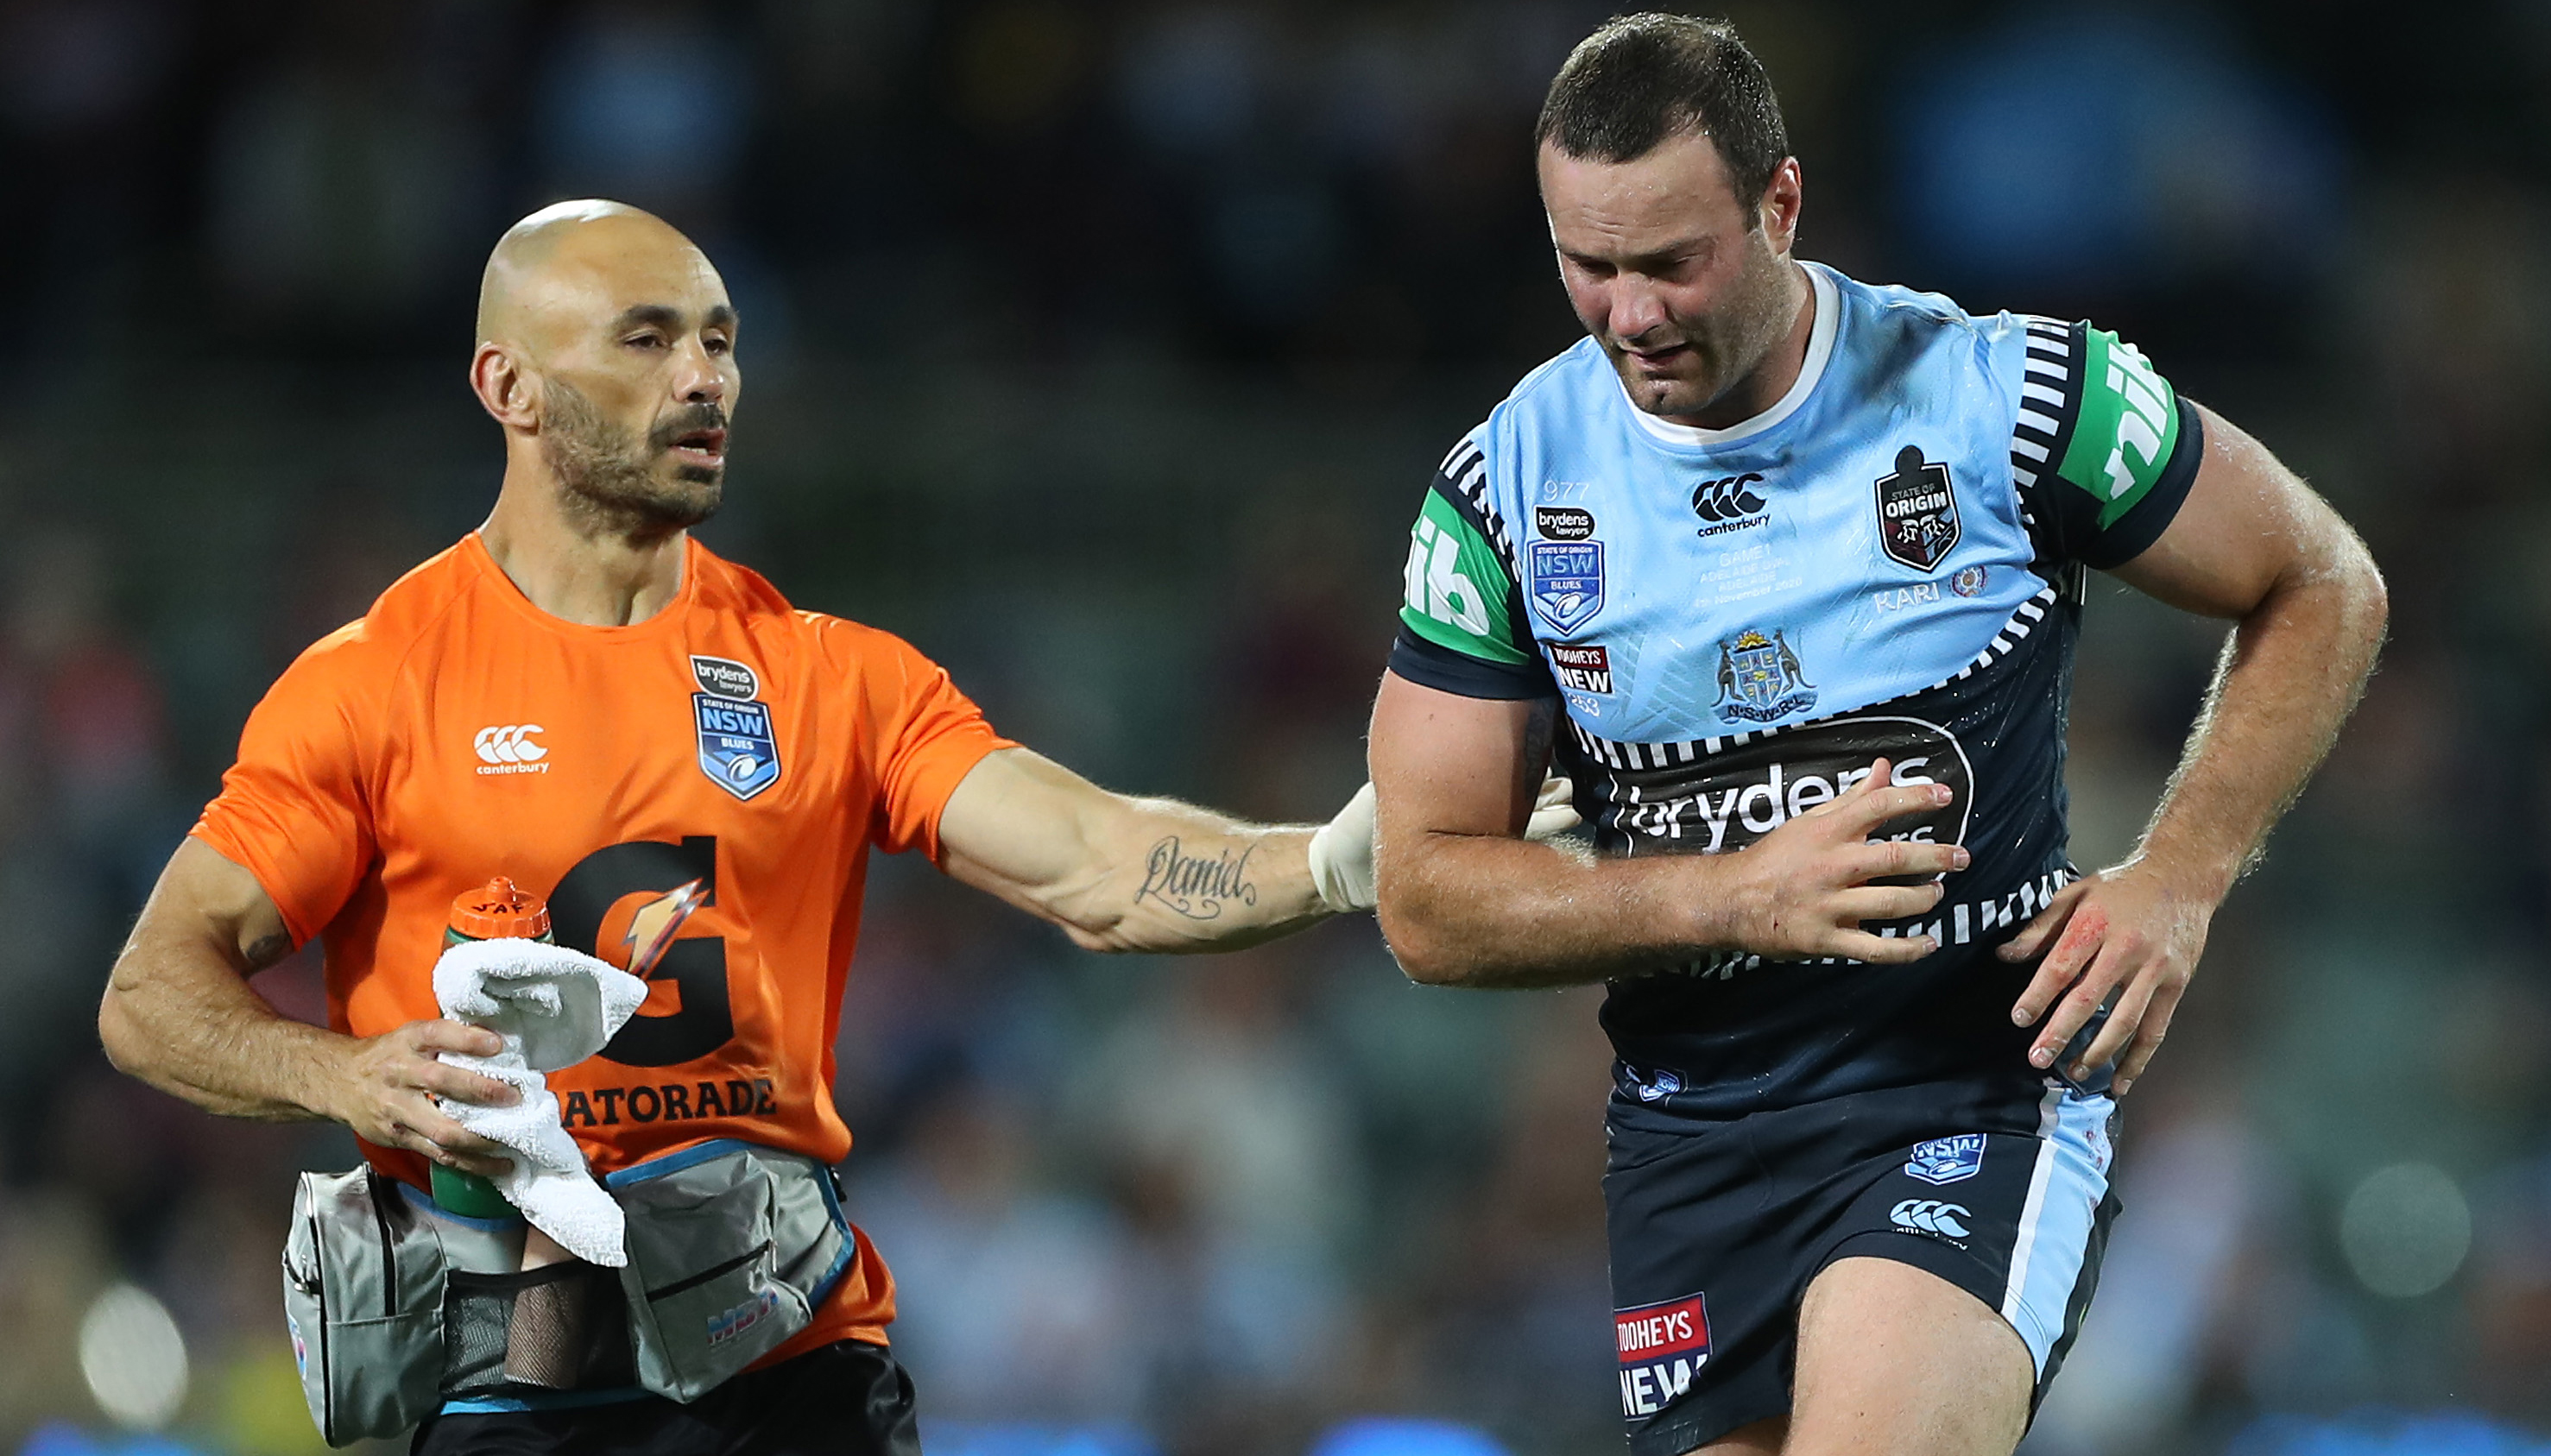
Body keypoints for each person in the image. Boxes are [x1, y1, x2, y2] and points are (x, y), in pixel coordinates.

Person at [93, 199, 1490, 1455]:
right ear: (505, 385)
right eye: (646, 341)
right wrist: (343, 1079)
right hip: (504, 1383)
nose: (704, 379)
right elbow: (152, 992)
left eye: (718, 340)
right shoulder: (374, 685)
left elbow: (1098, 865)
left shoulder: (831, 676)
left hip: (791, 1376)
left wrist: (1331, 862)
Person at [1367, 16, 2386, 1456]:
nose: (1630, 313)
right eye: (1586, 266)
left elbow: (2322, 578)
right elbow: (1426, 900)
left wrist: (2183, 872)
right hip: (1690, 1138)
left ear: (1779, 205)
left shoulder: (2008, 399)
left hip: (1959, 1088)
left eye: (1671, 261)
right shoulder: (1503, 493)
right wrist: (1738, 895)